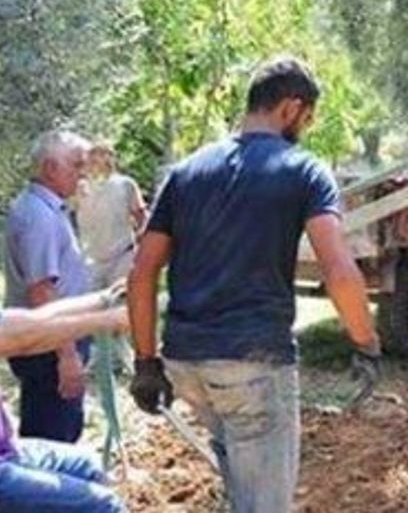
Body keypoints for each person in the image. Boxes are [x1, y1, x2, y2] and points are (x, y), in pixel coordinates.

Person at [126, 55, 381, 513]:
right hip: (254, 365)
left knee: (240, 485)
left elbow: (142, 272)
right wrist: (365, 342)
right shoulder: (305, 170)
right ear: (289, 108)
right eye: (305, 118)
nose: (304, 128)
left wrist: (145, 362)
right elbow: (339, 271)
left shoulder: (185, 173)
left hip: (187, 364)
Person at [0, 287, 129, 512]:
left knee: (88, 466)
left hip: (6, 450)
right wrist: (104, 321)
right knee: (104, 506)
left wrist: (105, 298)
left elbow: (36, 320)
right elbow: (24, 339)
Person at [4, 131, 95, 443]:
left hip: (52, 343)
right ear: (50, 168)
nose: (82, 172)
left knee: (61, 429)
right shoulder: (37, 216)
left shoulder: (47, 209)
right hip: (48, 350)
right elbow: (42, 292)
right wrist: (67, 357)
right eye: (76, 164)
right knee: (53, 438)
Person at [76, 142, 147, 290]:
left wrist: (143, 248)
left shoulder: (126, 184)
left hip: (122, 255)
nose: (101, 159)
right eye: (95, 155)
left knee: (120, 302)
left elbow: (141, 216)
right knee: (90, 305)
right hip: (91, 259)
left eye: (105, 154)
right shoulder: (79, 187)